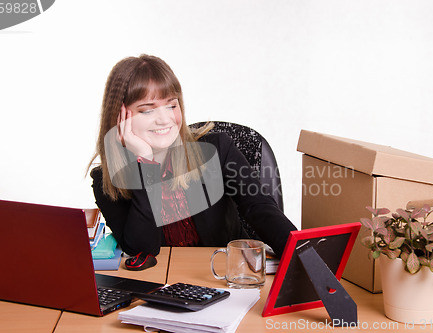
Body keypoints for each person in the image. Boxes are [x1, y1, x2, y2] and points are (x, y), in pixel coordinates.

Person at [88, 54, 297, 270]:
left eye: (171, 105)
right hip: (159, 288)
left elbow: (259, 207)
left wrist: (303, 254)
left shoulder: (216, 149)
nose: (165, 119)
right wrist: (145, 164)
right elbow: (141, 250)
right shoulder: (106, 181)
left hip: (225, 277)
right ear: (120, 117)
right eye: (148, 110)